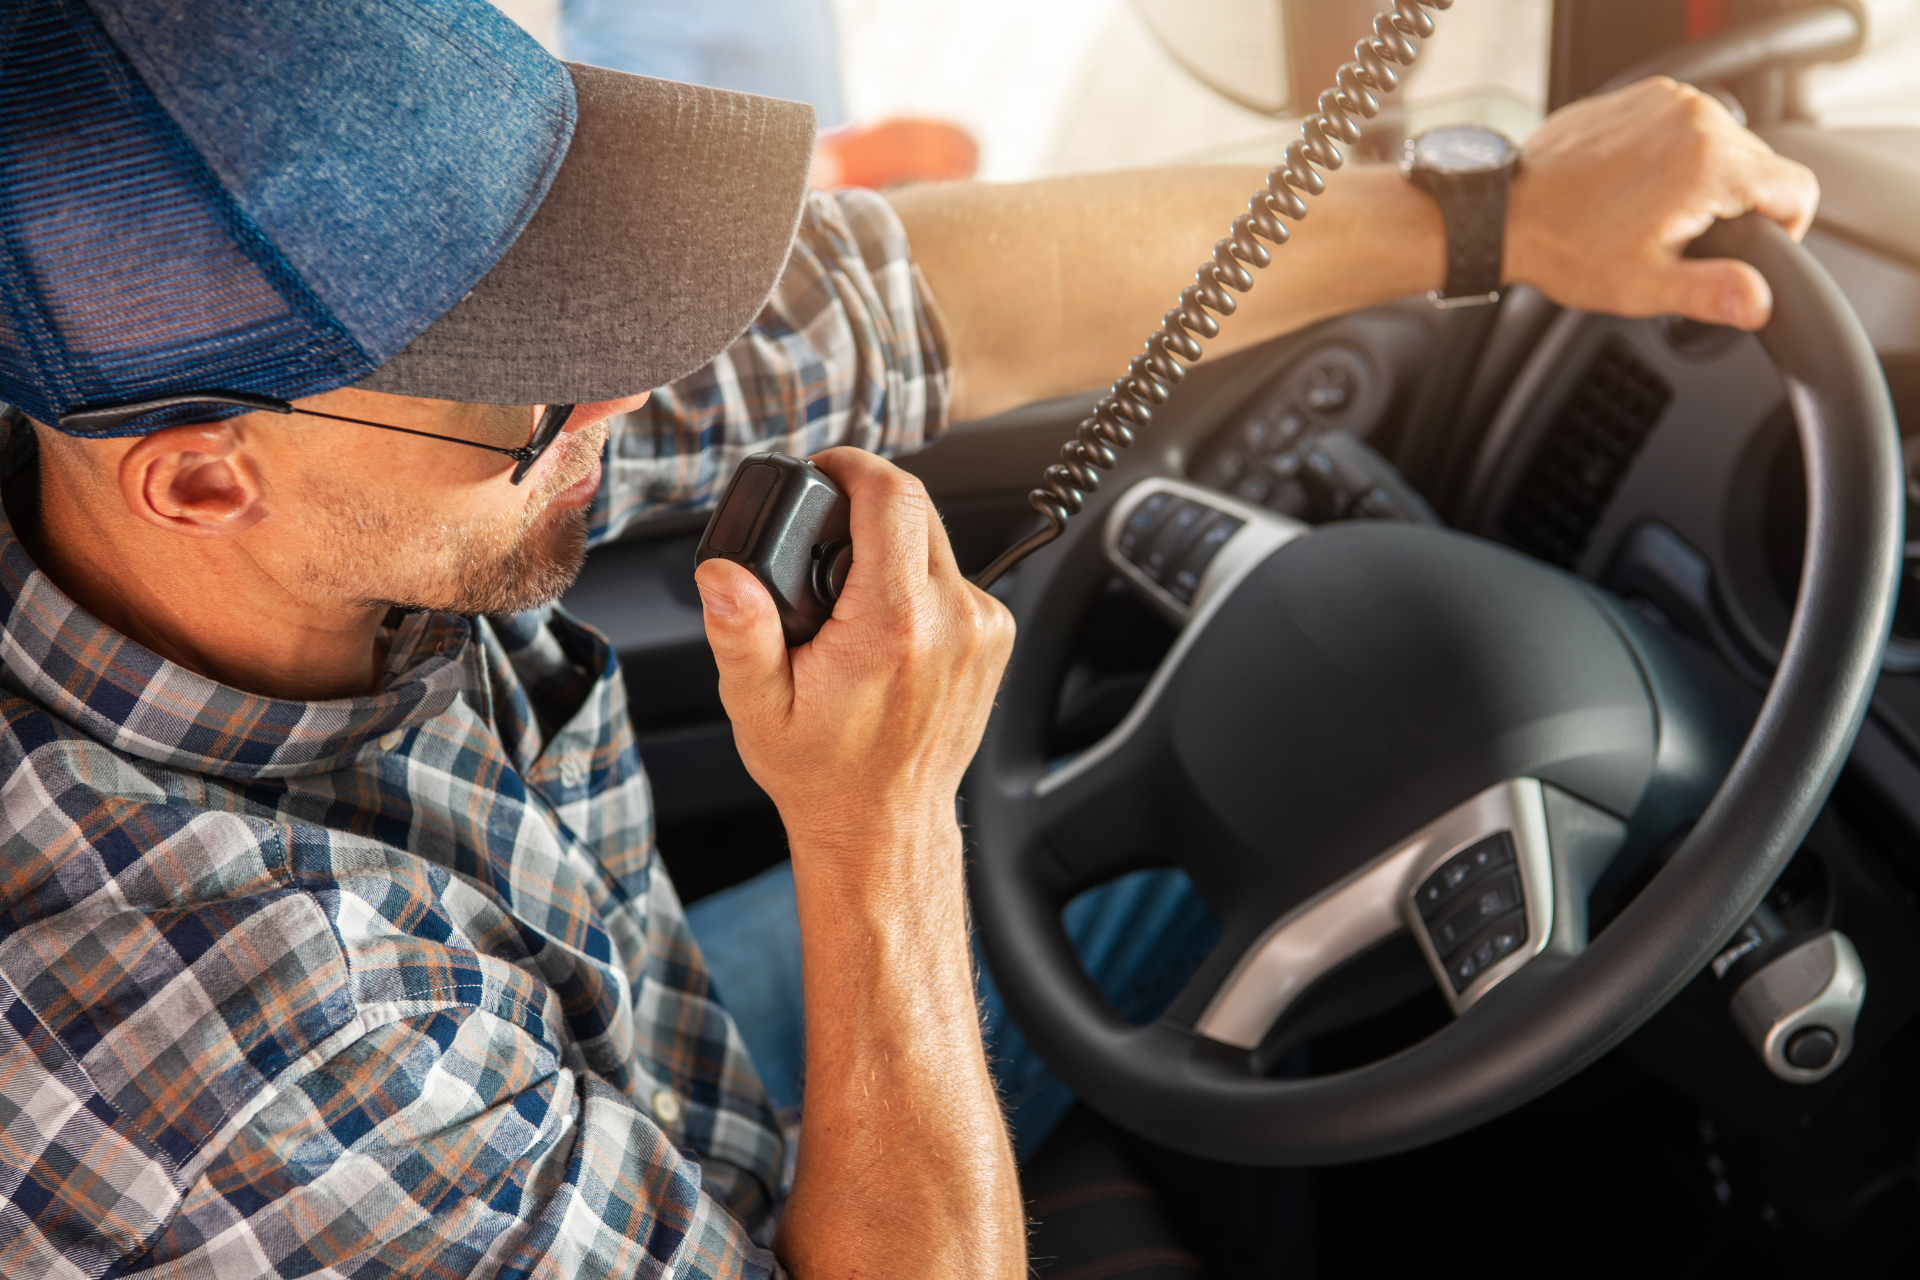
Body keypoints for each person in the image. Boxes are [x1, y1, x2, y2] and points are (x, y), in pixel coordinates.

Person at [0, 1, 1815, 1277]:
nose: (627, 391)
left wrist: (1491, 211)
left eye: (593, 285)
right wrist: (878, 837)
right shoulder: (224, 1063)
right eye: (537, 381)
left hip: (650, 1058)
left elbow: (885, 301)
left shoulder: (327, 448)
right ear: (197, 487)